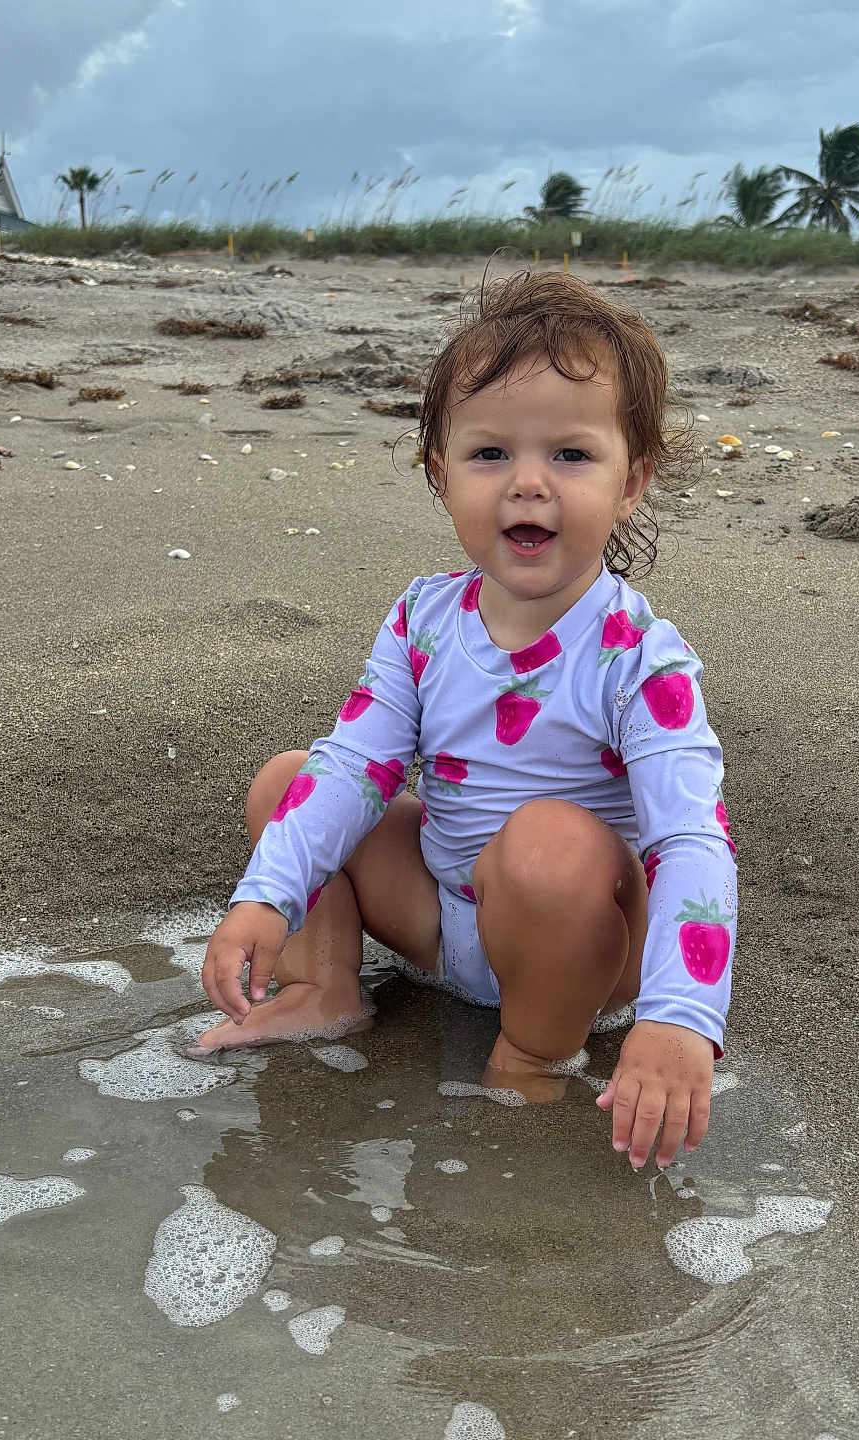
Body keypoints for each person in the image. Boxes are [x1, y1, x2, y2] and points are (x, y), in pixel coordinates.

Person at [193, 269, 738, 1171]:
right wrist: (267, 898)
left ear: (631, 481)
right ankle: (322, 985)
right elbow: (358, 765)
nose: (528, 484)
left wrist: (679, 1020)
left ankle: (531, 1054)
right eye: (491, 455)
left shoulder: (643, 658)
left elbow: (692, 838)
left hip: (582, 950)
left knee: (549, 844)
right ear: (441, 475)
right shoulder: (421, 619)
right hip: (446, 922)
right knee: (294, 778)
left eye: (570, 455)